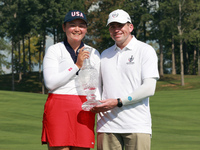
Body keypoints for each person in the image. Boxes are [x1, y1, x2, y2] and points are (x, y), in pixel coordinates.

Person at [91, 9, 160, 150]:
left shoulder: (145, 50)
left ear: (130, 27)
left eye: (120, 25)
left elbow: (149, 88)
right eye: (112, 26)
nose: (116, 30)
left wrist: (118, 102)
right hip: (107, 126)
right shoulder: (104, 54)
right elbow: (97, 86)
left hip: (136, 125)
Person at [41, 10, 101, 150]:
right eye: (72, 25)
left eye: (81, 25)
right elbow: (50, 83)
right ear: (64, 27)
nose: (77, 29)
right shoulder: (55, 50)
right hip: (58, 107)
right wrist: (77, 66)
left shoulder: (93, 52)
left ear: (86, 29)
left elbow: (97, 85)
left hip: (84, 107)